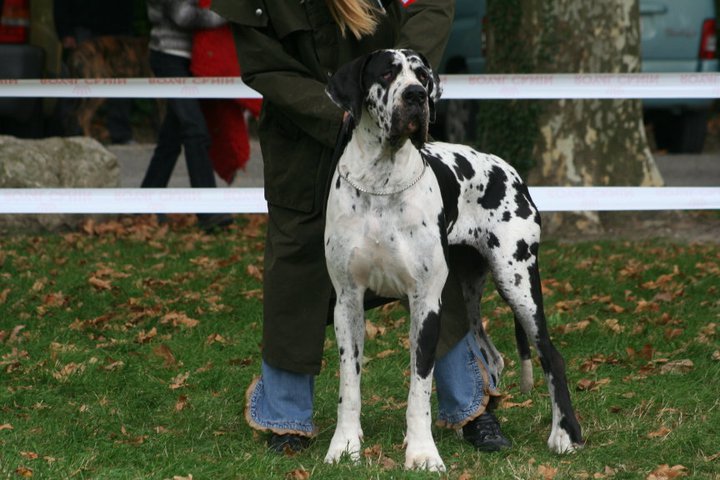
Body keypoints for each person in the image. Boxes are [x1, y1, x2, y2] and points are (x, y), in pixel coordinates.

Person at [212, 0, 511, 454]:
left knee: (431, 268)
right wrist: (342, 114)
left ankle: (468, 404)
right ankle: (286, 416)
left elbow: (433, 5)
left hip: (393, 136)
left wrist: (399, 82)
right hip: (302, 143)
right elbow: (265, 66)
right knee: (294, 267)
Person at [142, 0, 233, 232]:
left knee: (170, 140)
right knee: (195, 130)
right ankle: (209, 211)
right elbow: (182, 16)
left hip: (191, 58)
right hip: (168, 56)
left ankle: (143, 204)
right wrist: (227, 13)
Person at [53, 0, 136, 144]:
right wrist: (65, 30)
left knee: (122, 83)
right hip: (84, 27)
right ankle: (71, 133)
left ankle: (120, 133)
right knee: (77, 85)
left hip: (119, 27)